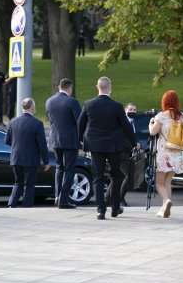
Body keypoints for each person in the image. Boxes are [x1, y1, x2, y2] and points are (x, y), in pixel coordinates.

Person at [78, 77, 138, 220]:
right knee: (115, 176)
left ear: (97, 87)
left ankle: (100, 210)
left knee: (98, 177)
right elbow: (126, 126)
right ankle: (115, 208)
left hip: (95, 146)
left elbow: (80, 123)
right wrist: (134, 142)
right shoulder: (117, 106)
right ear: (109, 88)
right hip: (113, 146)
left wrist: (80, 139)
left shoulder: (88, 104)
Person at [148, 91, 183, 218]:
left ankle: (166, 201)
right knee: (168, 182)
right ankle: (164, 208)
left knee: (159, 183)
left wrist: (151, 123)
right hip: (177, 154)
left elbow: (153, 132)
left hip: (164, 153)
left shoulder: (162, 116)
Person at [5, 98, 50, 208]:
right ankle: (27, 205)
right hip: (30, 159)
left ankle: (12, 203)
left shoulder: (12, 122)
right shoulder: (37, 123)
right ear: (33, 107)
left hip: (16, 158)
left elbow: (7, 141)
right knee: (29, 184)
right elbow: (42, 145)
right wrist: (46, 162)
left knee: (18, 182)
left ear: (22, 108)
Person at [45, 78, 82, 209]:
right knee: (69, 169)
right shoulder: (72, 101)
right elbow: (80, 122)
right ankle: (64, 199)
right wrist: (82, 138)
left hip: (55, 139)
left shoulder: (49, 101)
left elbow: (50, 120)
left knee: (59, 168)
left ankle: (57, 196)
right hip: (70, 140)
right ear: (69, 88)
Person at [105, 103, 139, 206]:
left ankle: (107, 199)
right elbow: (123, 138)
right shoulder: (123, 122)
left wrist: (137, 145)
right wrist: (133, 145)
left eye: (134, 110)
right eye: (130, 109)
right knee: (130, 175)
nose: (132, 111)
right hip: (120, 152)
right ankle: (119, 198)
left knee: (118, 176)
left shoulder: (132, 122)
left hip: (125, 153)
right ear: (125, 111)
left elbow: (132, 137)